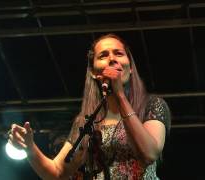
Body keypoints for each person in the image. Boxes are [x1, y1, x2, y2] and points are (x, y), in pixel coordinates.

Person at [9, 33, 171, 179]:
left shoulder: (152, 105)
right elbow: (57, 173)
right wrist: (29, 147)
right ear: (94, 72)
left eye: (119, 53)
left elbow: (150, 154)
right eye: (103, 55)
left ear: (130, 68)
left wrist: (120, 95)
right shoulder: (86, 121)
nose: (112, 59)